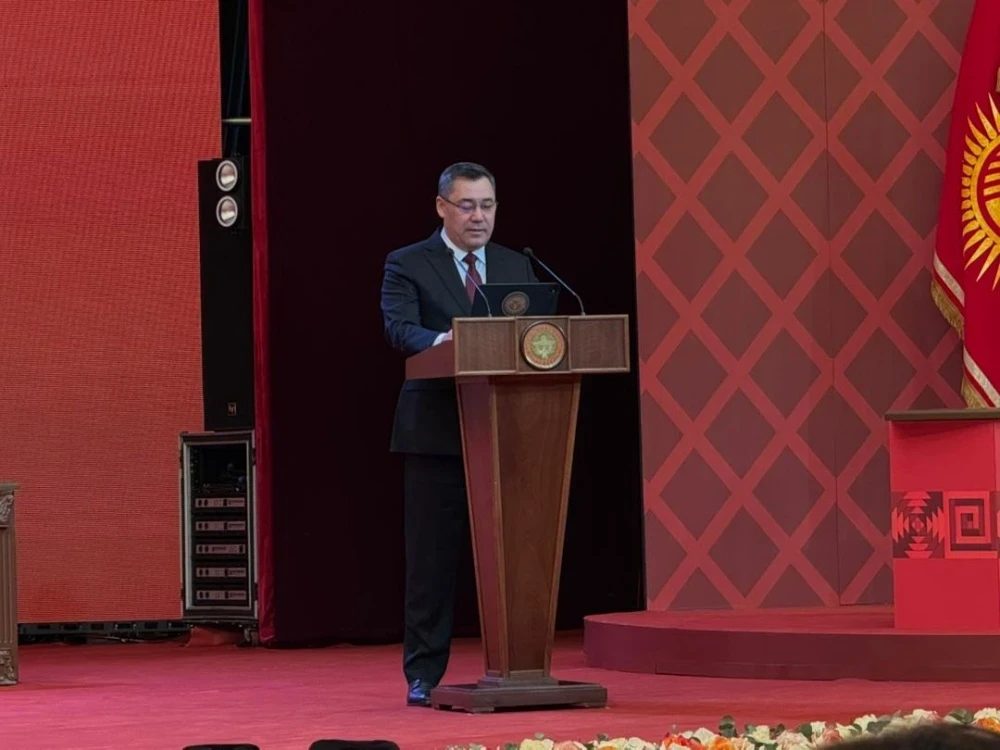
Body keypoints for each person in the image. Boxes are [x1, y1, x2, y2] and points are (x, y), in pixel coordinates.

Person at [379, 162, 538, 706]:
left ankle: (522, 666)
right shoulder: (407, 262)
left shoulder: (518, 264)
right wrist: (444, 340)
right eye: (467, 205)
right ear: (442, 207)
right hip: (436, 432)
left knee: (518, 555)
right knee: (431, 561)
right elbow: (400, 328)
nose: (478, 217)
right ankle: (424, 674)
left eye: (487, 205)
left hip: (507, 429)